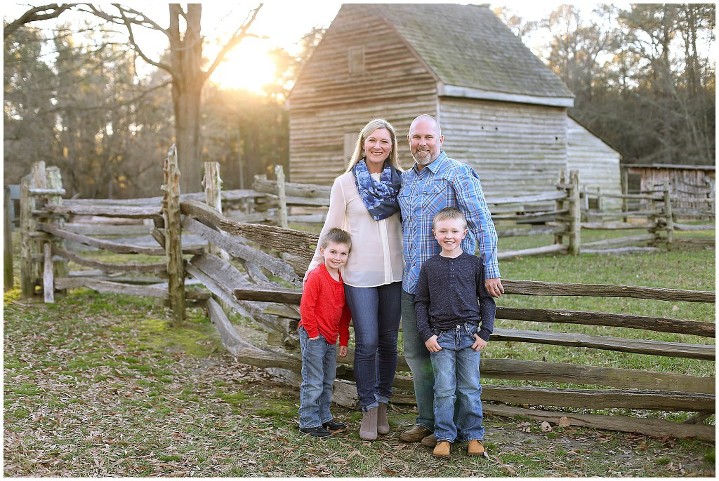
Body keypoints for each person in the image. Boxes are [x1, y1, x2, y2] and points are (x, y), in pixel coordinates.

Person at [398, 114, 504, 446]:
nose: (422, 143)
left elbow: (482, 222)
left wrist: (490, 269)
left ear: (441, 140)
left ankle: (457, 428)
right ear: (409, 141)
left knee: (456, 355)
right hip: (414, 282)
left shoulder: (457, 173)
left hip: (452, 283)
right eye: (416, 137)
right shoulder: (406, 180)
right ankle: (428, 422)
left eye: (429, 137)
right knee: (417, 353)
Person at [304, 119, 404, 441]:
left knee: (389, 342)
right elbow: (332, 226)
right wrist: (316, 264)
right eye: (372, 140)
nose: (378, 146)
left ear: (392, 147)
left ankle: (384, 405)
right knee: (368, 342)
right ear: (362, 144)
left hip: (395, 275)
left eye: (384, 142)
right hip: (360, 275)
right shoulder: (345, 183)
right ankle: (368, 408)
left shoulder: (403, 182)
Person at [414, 207, 495, 458]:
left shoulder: (475, 264)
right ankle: (444, 437)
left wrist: (485, 332)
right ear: (434, 233)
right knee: (444, 388)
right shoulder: (429, 267)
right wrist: (427, 334)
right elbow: (421, 302)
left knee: (470, 387)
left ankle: (473, 435)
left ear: (464, 233)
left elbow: (487, 300)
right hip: (441, 338)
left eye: (454, 231)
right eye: (443, 231)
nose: (449, 236)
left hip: (471, 336)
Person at [298, 227, 353, 438]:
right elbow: (306, 307)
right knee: (313, 379)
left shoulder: (342, 280)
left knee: (328, 379)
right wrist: (312, 334)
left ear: (348, 255)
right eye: (333, 252)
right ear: (322, 251)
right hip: (314, 335)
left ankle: (323, 416)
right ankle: (308, 421)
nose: (337, 257)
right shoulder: (317, 276)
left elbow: (344, 314)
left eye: (342, 253)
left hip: (331, 337)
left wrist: (343, 339)